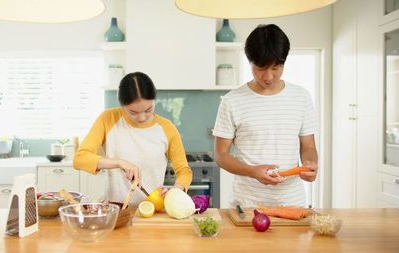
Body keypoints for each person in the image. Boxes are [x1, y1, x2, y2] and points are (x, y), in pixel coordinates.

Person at [212, 24, 318, 208]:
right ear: (250, 62)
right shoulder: (232, 101)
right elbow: (221, 155)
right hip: (247, 205)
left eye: (276, 67)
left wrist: (310, 163)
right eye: (261, 68)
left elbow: (308, 146)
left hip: (292, 204)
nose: (268, 76)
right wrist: (252, 171)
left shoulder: (301, 97)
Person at [73, 72, 192, 207]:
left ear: (154, 100)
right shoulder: (108, 119)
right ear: (122, 105)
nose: (142, 117)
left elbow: (184, 171)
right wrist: (118, 162)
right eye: (133, 112)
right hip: (115, 211)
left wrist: (176, 190)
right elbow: (80, 159)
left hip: (152, 210)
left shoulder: (167, 128)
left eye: (148, 109)